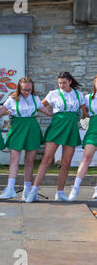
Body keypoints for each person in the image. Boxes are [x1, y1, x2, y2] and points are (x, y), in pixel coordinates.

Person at [26, 72, 86, 203]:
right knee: (46, 159)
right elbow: (39, 106)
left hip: (71, 127)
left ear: (70, 81)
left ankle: (59, 192)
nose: (61, 85)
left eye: (64, 83)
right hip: (56, 126)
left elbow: (85, 112)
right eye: (59, 83)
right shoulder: (53, 93)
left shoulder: (79, 95)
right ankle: (33, 191)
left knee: (66, 163)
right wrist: (48, 113)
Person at [0, 78, 53, 201]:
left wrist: (63, 111)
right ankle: (10, 189)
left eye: (29, 89)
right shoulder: (12, 98)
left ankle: (27, 191)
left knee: (29, 162)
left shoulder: (35, 98)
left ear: (32, 88)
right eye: (23, 90)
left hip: (32, 129)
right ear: (19, 88)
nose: (26, 92)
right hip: (17, 128)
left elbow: (48, 112)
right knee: (14, 160)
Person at [68, 75, 97, 201]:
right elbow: (83, 113)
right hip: (93, 130)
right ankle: (75, 188)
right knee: (86, 158)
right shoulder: (88, 98)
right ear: (94, 83)